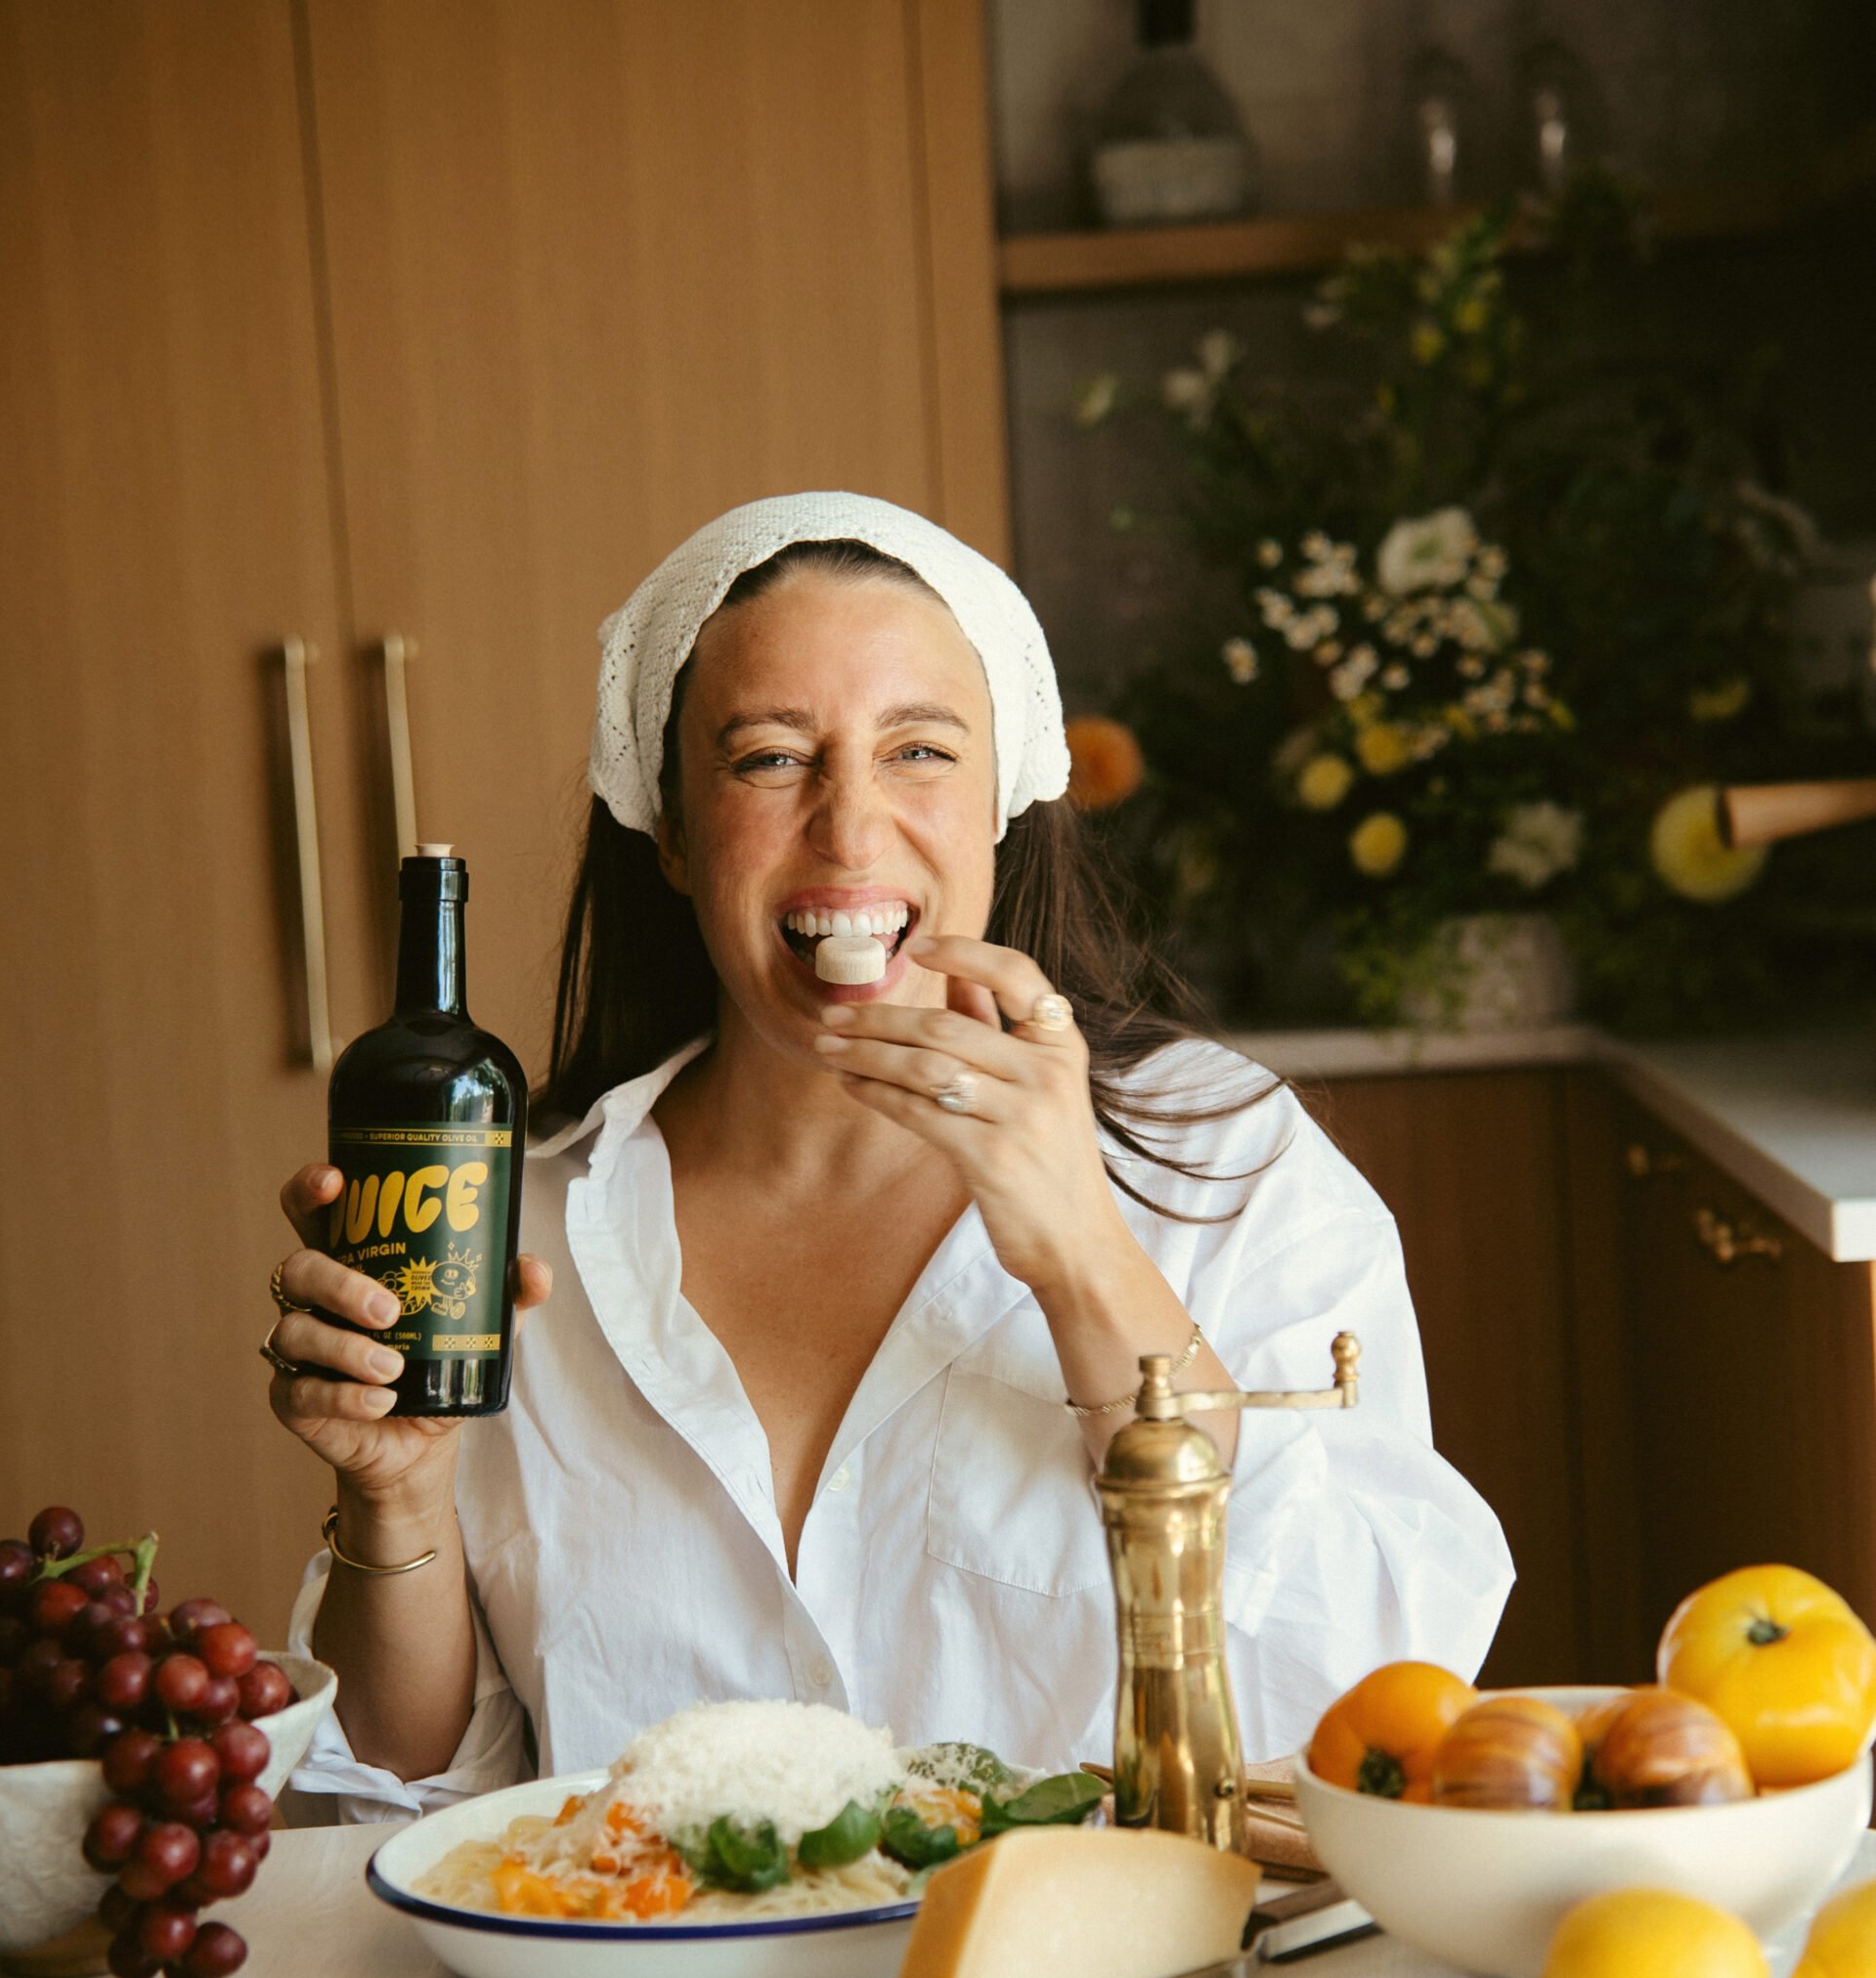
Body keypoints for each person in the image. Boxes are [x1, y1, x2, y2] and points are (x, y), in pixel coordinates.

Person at [264, 492, 1511, 1818]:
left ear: (999, 809)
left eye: (919, 751)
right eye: (768, 759)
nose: (850, 829)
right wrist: (392, 1506)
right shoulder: (512, 1233)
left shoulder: (1225, 1160)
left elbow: (1371, 1694)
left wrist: (1085, 1257)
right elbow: (398, 1810)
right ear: (675, 836)